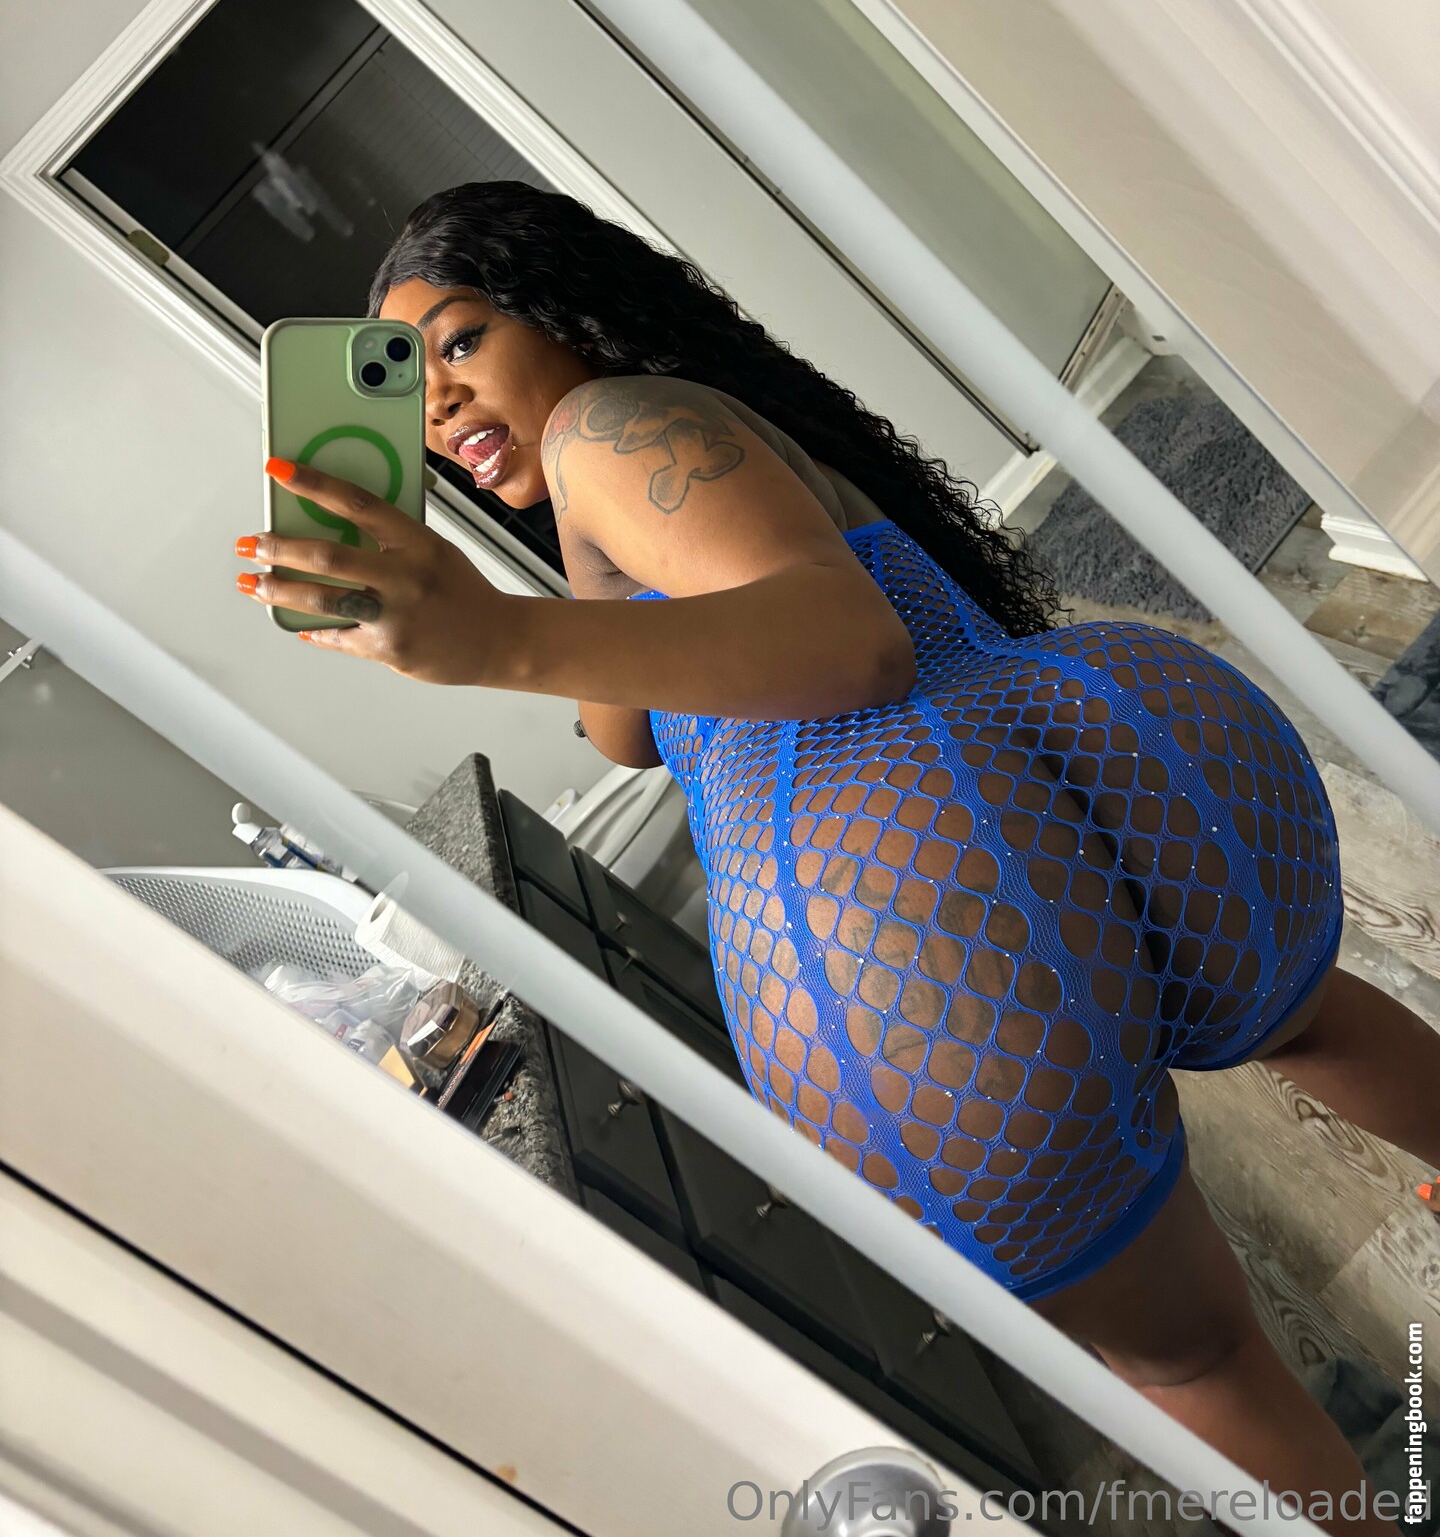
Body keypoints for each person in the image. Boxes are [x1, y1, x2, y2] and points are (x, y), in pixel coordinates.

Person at [236, 182, 1438, 1528]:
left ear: (558, 308)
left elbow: (846, 647)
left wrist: (499, 639)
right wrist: (535, 592)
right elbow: (623, 727)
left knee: (1192, 1356)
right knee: (1309, 1022)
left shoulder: (602, 432)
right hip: (1099, 772)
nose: (438, 401)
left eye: (460, 341)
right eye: (409, 381)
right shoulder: (653, 432)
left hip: (918, 907)